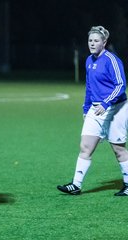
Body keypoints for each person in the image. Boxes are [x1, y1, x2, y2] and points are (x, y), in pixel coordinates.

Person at [57, 26, 128, 196]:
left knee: (118, 149)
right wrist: (86, 107)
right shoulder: (89, 60)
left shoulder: (112, 60)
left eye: (96, 40)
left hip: (116, 108)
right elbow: (89, 86)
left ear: (104, 42)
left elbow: (121, 85)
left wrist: (105, 103)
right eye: (90, 40)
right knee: (85, 147)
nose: (92, 43)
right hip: (95, 109)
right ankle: (76, 185)